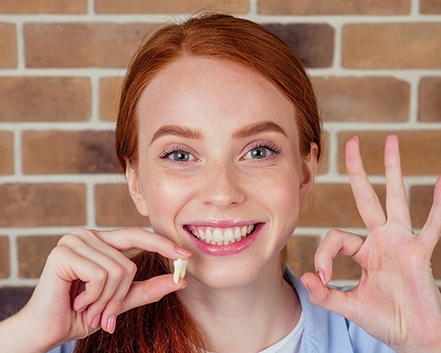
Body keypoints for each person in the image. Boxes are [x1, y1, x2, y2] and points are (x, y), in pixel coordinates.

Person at [0, 13, 440, 353]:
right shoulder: (58, 343)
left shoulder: (392, 338)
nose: (222, 192)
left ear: (305, 172)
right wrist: (25, 335)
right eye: (179, 155)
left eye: (259, 151)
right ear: (135, 181)